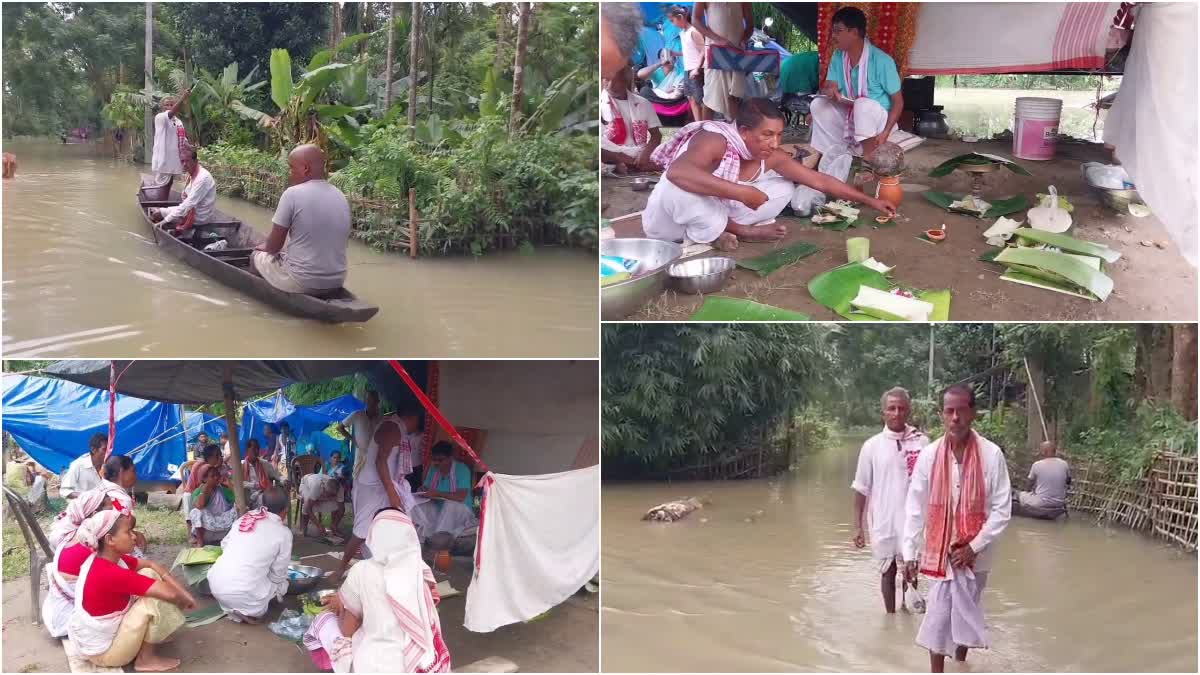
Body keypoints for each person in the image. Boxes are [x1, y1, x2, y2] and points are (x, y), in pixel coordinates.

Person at [643, 100, 896, 251]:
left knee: (784, 187)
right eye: (767, 135)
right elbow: (678, 172)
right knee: (676, 186)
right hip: (668, 225)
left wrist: (871, 201)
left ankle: (720, 230)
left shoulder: (772, 155)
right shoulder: (714, 139)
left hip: (714, 213)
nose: (775, 143)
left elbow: (819, 181)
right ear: (743, 131)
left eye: (778, 135)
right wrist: (741, 192)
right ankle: (741, 231)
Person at [902, 385, 1012, 673]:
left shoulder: (991, 455)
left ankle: (961, 662)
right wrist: (909, 552)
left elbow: (1002, 510)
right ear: (942, 415)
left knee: (965, 611)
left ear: (973, 413)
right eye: (949, 411)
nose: (955, 418)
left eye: (960, 410)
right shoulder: (930, 455)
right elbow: (915, 506)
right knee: (938, 615)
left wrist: (972, 547)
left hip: (978, 555)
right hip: (941, 552)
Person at [303, 509, 452, 673]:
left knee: (324, 619)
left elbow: (349, 629)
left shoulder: (362, 570)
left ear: (374, 536)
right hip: (419, 660)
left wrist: (342, 607)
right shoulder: (420, 570)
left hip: (372, 663)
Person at [67, 510, 195, 671]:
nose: (134, 536)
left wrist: (183, 594)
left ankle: (150, 641)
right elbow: (171, 594)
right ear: (110, 539)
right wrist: (183, 598)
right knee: (156, 599)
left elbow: (151, 564)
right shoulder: (109, 572)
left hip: (100, 640)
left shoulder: (107, 559)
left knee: (150, 575)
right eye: (128, 532)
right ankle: (145, 659)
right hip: (105, 653)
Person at [852, 387, 930, 614]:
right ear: (883, 412)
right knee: (888, 570)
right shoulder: (871, 446)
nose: (897, 413)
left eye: (902, 408)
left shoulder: (922, 443)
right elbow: (861, 489)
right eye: (892, 408)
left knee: (911, 568)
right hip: (884, 518)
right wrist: (857, 527)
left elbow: (932, 486)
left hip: (913, 519)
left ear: (909, 411)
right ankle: (890, 616)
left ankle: (907, 613)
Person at [251, 144, 352, 295]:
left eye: (291, 168)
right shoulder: (340, 195)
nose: (290, 173)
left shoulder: (292, 194)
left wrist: (263, 247)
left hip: (303, 281)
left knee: (255, 256)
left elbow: (273, 247)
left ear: (305, 169)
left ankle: (260, 297)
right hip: (337, 280)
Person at [810, 7, 904, 159]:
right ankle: (831, 155)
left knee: (862, 104)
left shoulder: (882, 61)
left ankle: (868, 158)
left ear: (854, 32)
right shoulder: (838, 56)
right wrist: (830, 89)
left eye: (838, 31)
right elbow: (830, 84)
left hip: (879, 122)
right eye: (833, 31)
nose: (833, 36)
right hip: (851, 115)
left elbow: (898, 103)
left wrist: (886, 131)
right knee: (818, 105)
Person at [334, 414, 416, 581]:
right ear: (413, 416)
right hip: (372, 487)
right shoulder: (392, 427)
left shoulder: (397, 427)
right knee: (361, 532)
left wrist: (392, 490)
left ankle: (384, 568)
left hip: (382, 486)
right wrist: (392, 493)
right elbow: (380, 461)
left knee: (390, 526)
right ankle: (340, 570)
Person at [206, 487, 293, 624]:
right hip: (247, 595)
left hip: (216, 587)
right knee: (283, 583)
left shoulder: (245, 519)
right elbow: (278, 574)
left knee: (252, 576)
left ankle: (233, 606)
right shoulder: (283, 533)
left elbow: (224, 545)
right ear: (285, 511)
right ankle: (250, 610)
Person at [42, 490, 116, 638]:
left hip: (58, 616)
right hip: (72, 624)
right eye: (109, 510)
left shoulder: (74, 533)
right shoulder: (91, 544)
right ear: (95, 513)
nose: (113, 515)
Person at [693, 2, 753, 121]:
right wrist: (718, 40)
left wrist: (743, 40)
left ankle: (734, 135)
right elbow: (695, 20)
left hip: (737, 53)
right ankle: (704, 133)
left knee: (734, 96)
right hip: (715, 53)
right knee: (710, 97)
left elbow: (750, 25)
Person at [410, 442, 478, 545]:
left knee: (450, 505)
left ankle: (439, 542)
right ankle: (421, 538)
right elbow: (426, 488)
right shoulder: (433, 469)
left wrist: (438, 493)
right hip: (438, 509)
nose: (436, 463)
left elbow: (460, 497)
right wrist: (422, 490)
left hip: (460, 510)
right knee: (415, 503)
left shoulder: (462, 469)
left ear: (450, 458)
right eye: (434, 460)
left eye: (440, 460)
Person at [602, 66, 663, 175]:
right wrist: (617, 158)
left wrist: (645, 154)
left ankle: (632, 164)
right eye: (607, 79)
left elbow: (656, 135)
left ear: (626, 80)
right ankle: (623, 163)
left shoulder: (643, 103)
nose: (610, 85)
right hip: (611, 153)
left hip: (637, 152)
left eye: (615, 81)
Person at [147, 146, 216, 238]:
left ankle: (174, 231)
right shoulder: (192, 174)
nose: (184, 164)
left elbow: (188, 204)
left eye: (187, 161)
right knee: (154, 211)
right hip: (190, 210)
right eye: (182, 161)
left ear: (195, 161)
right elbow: (186, 202)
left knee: (156, 214)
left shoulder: (203, 178)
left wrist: (165, 220)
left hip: (199, 216)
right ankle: (174, 230)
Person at [187, 445, 238, 546]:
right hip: (208, 529)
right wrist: (205, 490)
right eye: (212, 476)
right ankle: (200, 541)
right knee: (195, 512)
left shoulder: (222, 489)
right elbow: (200, 505)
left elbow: (239, 500)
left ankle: (234, 538)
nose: (216, 478)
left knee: (240, 508)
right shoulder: (199, 491)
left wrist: (229, 485)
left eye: (217, 475)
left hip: (225, 525)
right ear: (205, 479)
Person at [667, 5, 707, 122]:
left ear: (680, 17)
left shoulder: (693, 31)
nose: (672, 24)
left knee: (700, 100)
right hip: (688, 69)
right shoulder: (683, 33)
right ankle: (698, 124)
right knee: (692, 99)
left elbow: (703, 50)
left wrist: (697, 69)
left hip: (696, 70)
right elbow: (689, 51)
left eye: (672, 20)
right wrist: (676, 53)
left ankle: (704, 123)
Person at [151, 90, 192, 184]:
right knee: (161, 184)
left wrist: (190, 147)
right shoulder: (160, 117)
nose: (169, 107)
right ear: (162, 107)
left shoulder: (178, 122)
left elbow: (183, 140)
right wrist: (183, 98)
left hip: (175, 160)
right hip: (164, 159)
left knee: (171, 184)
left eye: (171, 105)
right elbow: (171, 113)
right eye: (166, 105)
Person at [298, 456, 345, 538]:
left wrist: (335, 524)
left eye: (331, 495)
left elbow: (342, 509)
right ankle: (304, 529)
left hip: (317, 484)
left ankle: (333, 527)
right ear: (323, 487)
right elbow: (309, 508)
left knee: (337, 505)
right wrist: (319, 525)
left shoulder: (340, 488)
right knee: (306, 505)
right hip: (305, 483)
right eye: (326, 493)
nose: (327, 496)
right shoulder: (317, 487)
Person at [1016, 441, 1071, 511]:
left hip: (1041, 502)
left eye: (1041, 450)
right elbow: (1068, 481)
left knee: (1020, 494)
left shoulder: (1037, 464)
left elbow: (1029, 484)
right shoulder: (1064, 464)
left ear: (1044, 452)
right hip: (1059, 502)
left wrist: (1028, 492)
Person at [60, 433, 107, 499]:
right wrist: (87, 498)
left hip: (105, 506)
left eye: (109, 449)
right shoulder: (78, 465)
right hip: (84, 506)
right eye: (104, 449)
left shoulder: (108, 465)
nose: (108, 453)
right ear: (93, 449)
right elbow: (64, 491)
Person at [242, 439, 282, 509]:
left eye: (258, 449)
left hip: (264, 492)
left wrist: (284, 480)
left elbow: (277, 475)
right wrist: (254, 485)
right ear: (247, 451)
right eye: (254, 449)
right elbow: (238, 483)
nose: (257, 451)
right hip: (250, 498)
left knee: (273, 499)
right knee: (265, 500)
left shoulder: (264, 463)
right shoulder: (241, 466)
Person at [400, 409, 426, 493]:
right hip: (405, 468)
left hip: (417, 467)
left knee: (415, 489)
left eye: (414, 420)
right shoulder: (402, 435)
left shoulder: (422, 436)